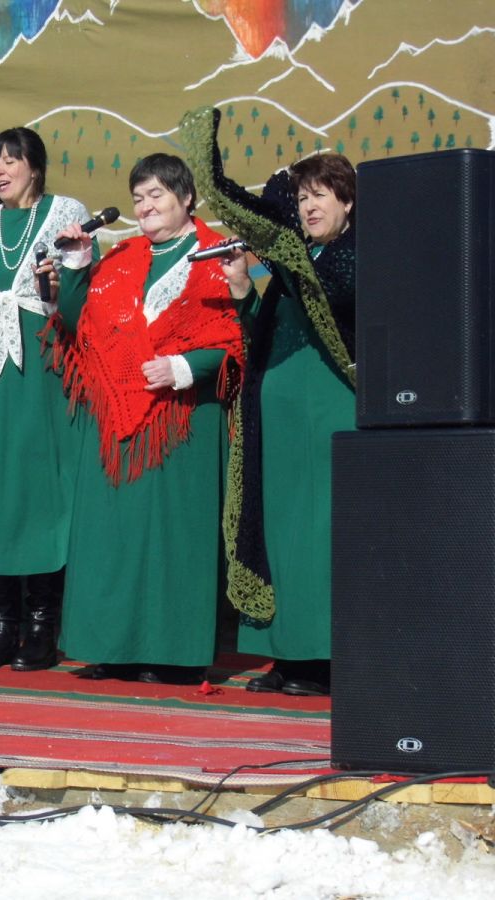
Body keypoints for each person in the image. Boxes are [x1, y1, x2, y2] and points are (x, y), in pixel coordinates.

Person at [182, 107, 357, 697]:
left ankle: (327, 659)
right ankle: (283, 655)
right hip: (277, 423)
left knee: (323, 534)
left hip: (331, 415)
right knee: (277, 531)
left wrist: (283, 255)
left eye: (321, 196)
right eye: (303, 197)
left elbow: (338, 307)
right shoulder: (291, 265)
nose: (309, 207)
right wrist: (242, 292)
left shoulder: (356, 256)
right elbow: (266, 333)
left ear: (348, 203)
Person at [54, 153, 243, 684]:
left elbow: (236, 338)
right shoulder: (119, 260)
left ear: (186, 199)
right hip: (117, 419)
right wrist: (76, 263)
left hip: (182, 421)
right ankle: (110, 646)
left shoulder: (215, 254)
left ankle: (170, 654)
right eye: (138, 197)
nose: (145, 205)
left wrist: (184, 366)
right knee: (111, 536)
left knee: (171, 538)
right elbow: (78, 325)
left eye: (157, 194)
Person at [0, 127, 94, 671]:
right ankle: (2, 624)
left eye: (11, 159)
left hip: (44, 371)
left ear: (35, 166)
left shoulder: (64, 212)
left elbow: (79, 298)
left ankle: (41, 627)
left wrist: (55, 288)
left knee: (41, 495)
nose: (0, 169)